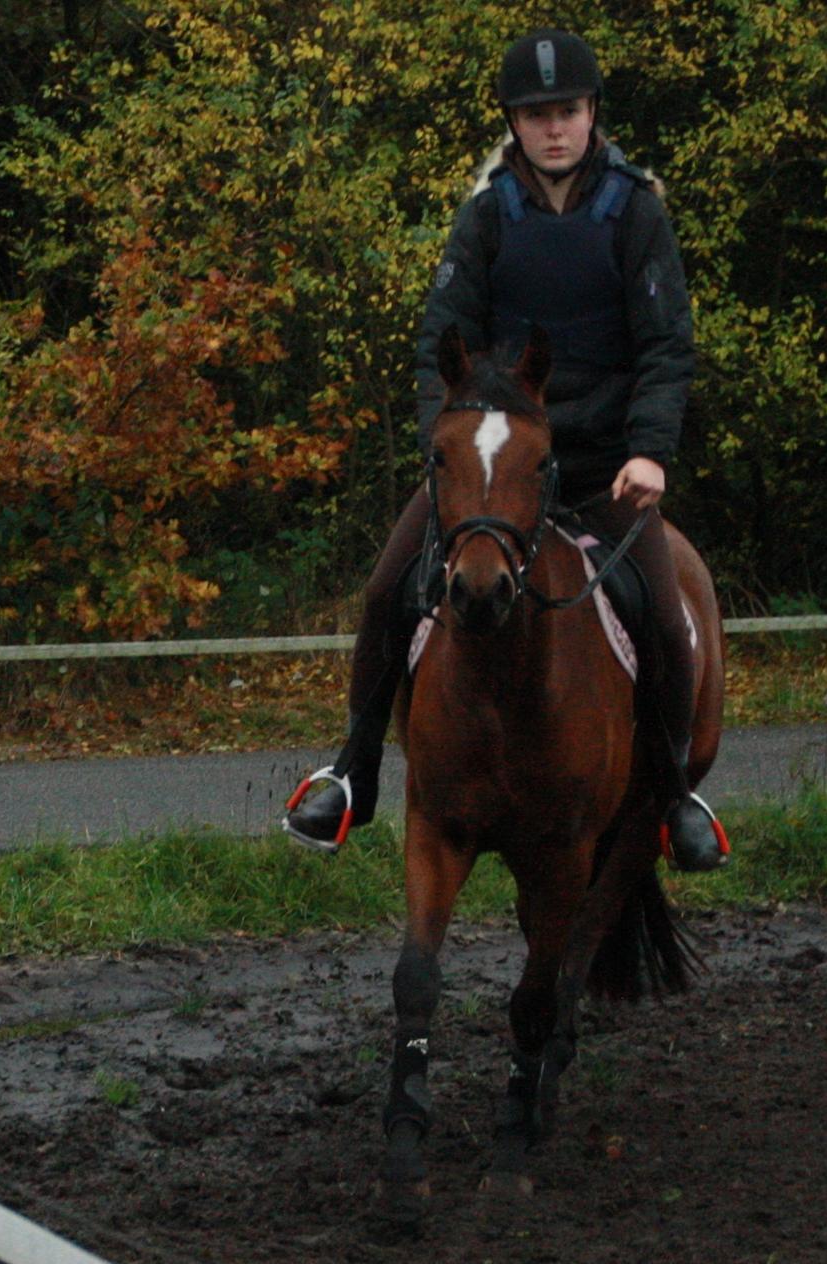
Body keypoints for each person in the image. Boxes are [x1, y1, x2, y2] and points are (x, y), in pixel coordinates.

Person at [285, 28, 722, 871]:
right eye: (536, 115)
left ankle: (674, 798)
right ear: (513, 124)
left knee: (667, 618)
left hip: (601, 463)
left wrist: (651, 451)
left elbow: (667, 345)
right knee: (384, 593)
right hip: (495, 467)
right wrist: (449, 449)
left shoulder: (636, 211)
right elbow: (438, 346)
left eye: (567, 111)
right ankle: (354, 774)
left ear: (592, 113)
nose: (554, 128)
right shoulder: (487, 213)